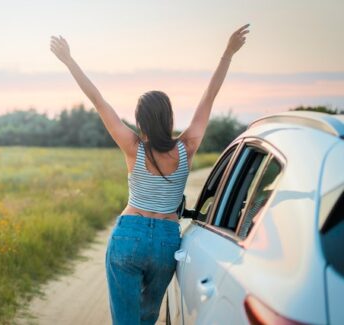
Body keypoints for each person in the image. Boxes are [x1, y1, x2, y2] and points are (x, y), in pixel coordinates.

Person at [50, 24, 250, 325]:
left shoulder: (133, 147)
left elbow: (98, 100)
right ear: (169, 117)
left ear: (139, 120)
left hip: (129, 234)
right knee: (147, 319)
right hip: (167, 242)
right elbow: (208, 98)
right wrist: (228, 54)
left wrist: (69, 61)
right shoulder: (187, 147)